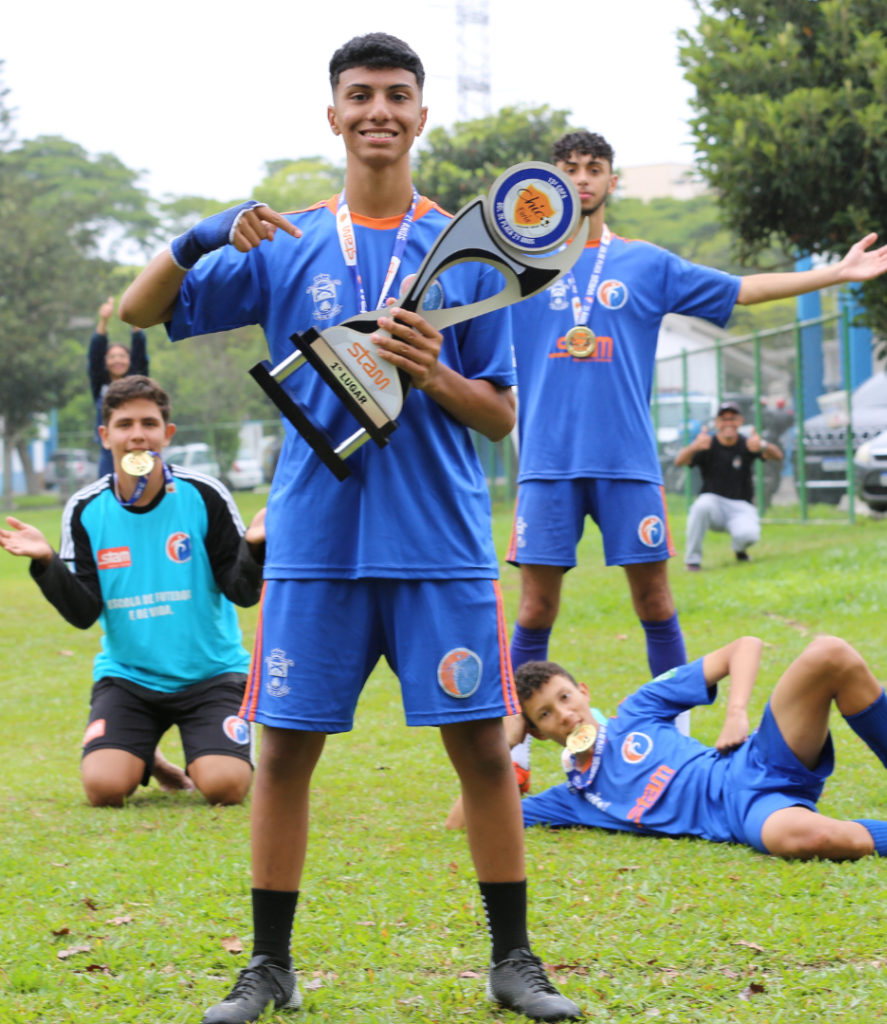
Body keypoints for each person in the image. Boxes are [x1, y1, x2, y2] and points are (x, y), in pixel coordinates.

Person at [118, 33, 579, 1024]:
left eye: (397, 95)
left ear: (421, 115)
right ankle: (268, 967)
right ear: (332, 115)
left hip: (438, 545)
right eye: (359, 95)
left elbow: (501, 413)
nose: (378, 110)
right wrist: (202, 232)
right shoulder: (283, 242)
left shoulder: (471, 249)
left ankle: (514, 961)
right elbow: (140, 308)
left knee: (480, 753)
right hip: (317, 545)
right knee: (282, 754)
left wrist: (434, 373)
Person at [504, 130, 887, 700]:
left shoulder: (644, 263)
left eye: (594, 168)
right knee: (536, 608)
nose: (582, 178)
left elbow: (744, 289)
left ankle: (673, 739)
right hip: (547, 464)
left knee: (655, 602)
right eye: (569, 168)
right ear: (552, 182)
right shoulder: (517, 266)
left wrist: (835, 274)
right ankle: (512, 751)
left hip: (628, 463)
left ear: (611, 182)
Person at [0, 376, 266, 808]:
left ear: (168, 433)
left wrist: (255, 548)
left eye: (149, 422)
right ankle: (148, 755)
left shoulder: (205, 495)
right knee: (103, 789)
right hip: (130, 680)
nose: (138, 434)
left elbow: (241, 592)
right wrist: (46, 561)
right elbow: (84, 612)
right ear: (106, 436)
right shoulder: (86, 508)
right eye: (124, 424)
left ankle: (197, 749)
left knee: (225, 787)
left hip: (212, 676)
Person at [510, 641, 887, 856]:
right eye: (545, 715)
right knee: (794, 838)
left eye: (565, 697)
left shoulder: (637, 710)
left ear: (584, 692)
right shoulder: (574, 797)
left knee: (830, 654)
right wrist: (506, 739)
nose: (566, 714)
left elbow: (745, 647)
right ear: (538, 732)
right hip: (750, 812)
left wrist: (735, 712)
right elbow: (468, 818)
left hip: (754, 760)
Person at [674, 401, 783, 570]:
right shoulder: (706, 444)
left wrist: (763, 445)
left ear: (740, 421)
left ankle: (740, 550)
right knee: (701, 506)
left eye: (732, 418)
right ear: (716, 423)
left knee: (750, 535)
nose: (728, 423)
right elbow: (679, 461)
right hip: (714, 505)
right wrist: (694, 446)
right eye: (723, 419)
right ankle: (692, 561)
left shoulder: (748, 444)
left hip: (741, 506)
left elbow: (778, 456)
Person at [89, 296, 149, 477]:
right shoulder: (100, 383)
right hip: (109, 451)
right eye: (112, 356)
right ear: (105, 362)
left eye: (122, 356)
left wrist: (134, 320)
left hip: (137, 446)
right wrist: (103, 320)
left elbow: (140, 350)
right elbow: (95, 353)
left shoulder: (137, 380)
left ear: (129, 361)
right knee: (109, 493)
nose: (117, 360)